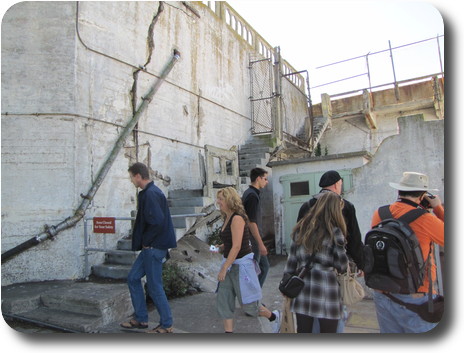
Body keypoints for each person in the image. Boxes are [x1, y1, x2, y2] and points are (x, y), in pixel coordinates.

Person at [371, 172, 444, 333]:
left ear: (399, 191)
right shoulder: (426, 219)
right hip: (416, 296)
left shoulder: (380, 213)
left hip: (383, 292)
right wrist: (438, 208)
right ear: (423, 195)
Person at [296, 170, 363, 332]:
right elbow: (354, 239)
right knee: (333, 315)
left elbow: (297, 240)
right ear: (336, 184)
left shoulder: (306, 205)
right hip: (332, 272)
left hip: (306, 271)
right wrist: (361, 264)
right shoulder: (345, 206)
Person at [120, 162, 177, 333]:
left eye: (131, 176)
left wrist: (146, 241)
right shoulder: (150, 192)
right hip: (150, 247)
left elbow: (157, 221)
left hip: (153, 247)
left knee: (154, 286)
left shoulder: (151, 194)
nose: (131, 180)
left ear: (138, 176)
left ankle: (166, 324)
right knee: (133, 278)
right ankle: (141, 319)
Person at [215, 187, 280, 333]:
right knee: (224, 302)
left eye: (221, 199)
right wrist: (222, 247)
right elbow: (232, 242)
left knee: (250, 307)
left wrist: (224, 267)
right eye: (218, 198)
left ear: (229, 200)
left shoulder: (237, 218)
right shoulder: (226, 217)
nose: (218, 202)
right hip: (231, 264)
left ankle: (274, 317)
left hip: (240, 267)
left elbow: (237, 246)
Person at [283, 192, 349, 333]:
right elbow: (342, 265)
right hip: (327, 289)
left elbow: (291, 263)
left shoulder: (300, 229)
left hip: (302, 286)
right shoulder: (334, 233)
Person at [242, 167, 270, 287]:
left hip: (252, 238)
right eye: (265, 179)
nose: (267, 181)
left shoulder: (251, 193)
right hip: (252, 240)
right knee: (254, 271)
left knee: (264, 267)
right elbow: (251, 222)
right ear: (258, 179)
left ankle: (255, 298)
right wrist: (260, 244)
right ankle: (252, 300)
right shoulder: (252, 196)